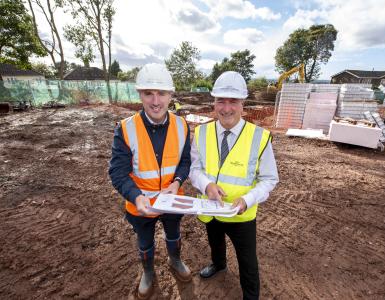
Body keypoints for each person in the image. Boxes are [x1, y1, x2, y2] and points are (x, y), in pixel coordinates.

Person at [189, 71, 279, 300]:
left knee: (247, 260)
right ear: (214, 102)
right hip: (210, 209)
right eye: (221, 100)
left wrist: (247, 200)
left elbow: (269, 178)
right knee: (215, 242)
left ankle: (251, 296)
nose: (226, 108)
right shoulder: (201, 132)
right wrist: (207, 185)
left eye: (233, 101)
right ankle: (219, 265)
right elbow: (194, 169)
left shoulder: (259, 137)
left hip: (241, 215)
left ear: (243, 104)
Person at [109, 63, 191, 299]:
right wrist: (136, 197)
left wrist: (176, 184)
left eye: (161, 93)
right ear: (140, 95)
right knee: (144, 241)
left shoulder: (182, 125)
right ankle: (147, 271)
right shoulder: (125, 129)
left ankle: (175, 260)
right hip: (140, 204)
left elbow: (185, 162)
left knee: (173, 233)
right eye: (148, 94)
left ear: (170, 95)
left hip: (172, 199)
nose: (156, 101)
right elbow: (117, 172)